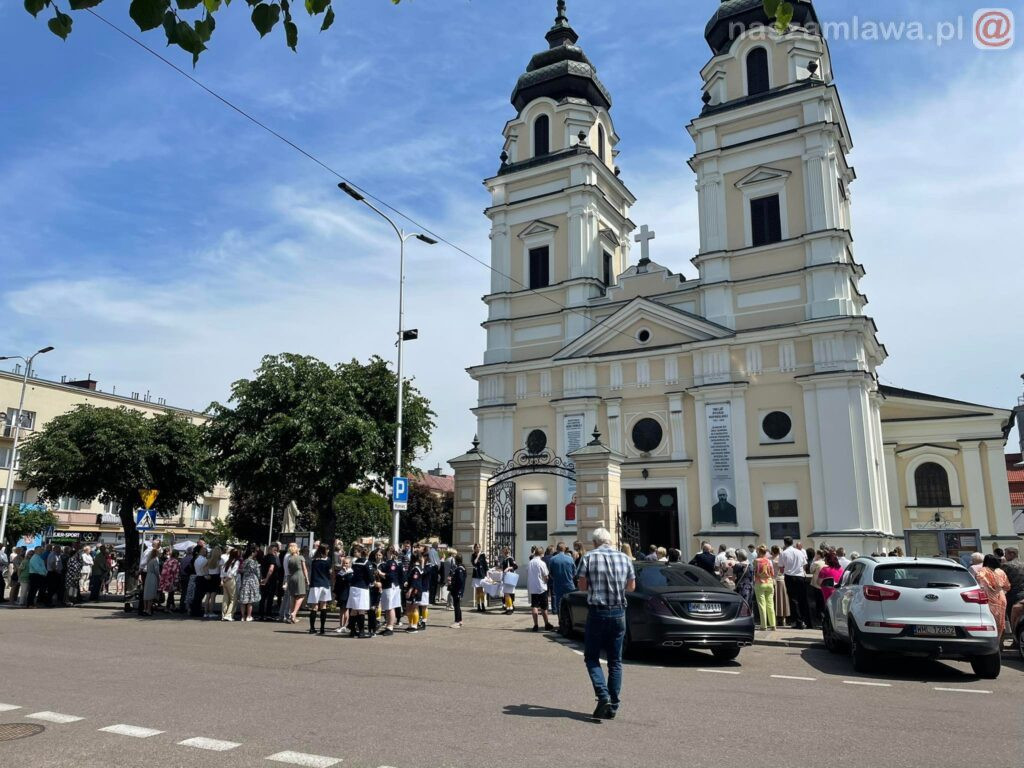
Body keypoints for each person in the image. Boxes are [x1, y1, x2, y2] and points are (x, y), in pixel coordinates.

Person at [577, 527, 636, 720]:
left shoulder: (589, 558)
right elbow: (632, 586)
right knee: (615, 661)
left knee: (592, 657)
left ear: (595, 542)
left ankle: (603, 696)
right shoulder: (625, 558)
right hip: (619, 611)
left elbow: (582, 586)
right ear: (610, 541)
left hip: (597, 611)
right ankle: (614, 704)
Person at [975, 554, 1010, 639]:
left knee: (992, 620)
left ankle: (993, 642)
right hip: (1001, 596)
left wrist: (989, 584)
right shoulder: (1001, 572)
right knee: (1001, 621)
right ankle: (1000, 644)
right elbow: (1007, 586)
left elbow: (979, 576)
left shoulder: (984, 569)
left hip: (990, 596)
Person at [779, 537, 809, 629]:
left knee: (793, 600)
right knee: (802, 598)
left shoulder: (783, 553)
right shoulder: (800, 552)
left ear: (785, 543)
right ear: (792, 542)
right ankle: (804, 620)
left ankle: (797, 621)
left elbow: (781, 568)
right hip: (800, 576)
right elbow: (805, 564)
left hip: (789, 577)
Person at [306, 544, 333, 635]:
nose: (328, 551)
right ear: (324, 551)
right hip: (325, 583)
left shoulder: (314, 561)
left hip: (315, 584)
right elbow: (329, 572)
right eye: (327, 549)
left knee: (314, 606)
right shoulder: (328, 560)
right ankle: (322, 628)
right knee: (323, 605)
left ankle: (312, 628)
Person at [527, 546, 554, 632]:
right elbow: (546, 575)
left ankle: (535, 625)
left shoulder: (530, 562)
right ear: (542, 553)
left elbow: (527, 572)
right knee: (544, 607)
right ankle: (546, 623)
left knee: (534, 606)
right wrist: (546, 581)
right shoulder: (542, 563)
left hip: (532, 587)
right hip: (541, 587)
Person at [378, 547, 402, 636]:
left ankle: (390, 627)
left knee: (390, 607)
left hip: (391, 586)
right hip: (387, 586)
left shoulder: (392, 563)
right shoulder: (387, 562)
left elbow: (391, 576)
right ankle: (388, 626)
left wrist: (381, 573)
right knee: (387, 608)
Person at [549, 542, 576, 618]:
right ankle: (570, 623)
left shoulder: (553, 559)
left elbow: (551, 573)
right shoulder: (570, 559)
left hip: (558, 584)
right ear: (564, 549)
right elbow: (574, 572)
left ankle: (561, 623)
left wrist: (555, 578)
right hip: (569, 584)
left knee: (559, 604)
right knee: (570, 604)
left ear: (557, 549)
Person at [284, 542, 308, 624]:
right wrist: (307, 579)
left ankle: (292, 617)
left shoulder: (289, 558)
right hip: (299, 577)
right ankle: (294, 613)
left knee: (293, 596)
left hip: (291, 577)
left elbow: (288, 570)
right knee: (301, 595)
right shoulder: (301, 557)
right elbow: (304, 569)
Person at [753, 545, 776, 631]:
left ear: (759, 552)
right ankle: (773, 624)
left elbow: (754, 572)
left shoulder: (756, 561)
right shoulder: (769, 561)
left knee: (762, 605)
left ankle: (764, 625)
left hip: (760, 583)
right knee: (770, 604)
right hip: (769, 583)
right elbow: (772, 573)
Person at [1000, 547, 1024, 621]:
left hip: (1013, 594)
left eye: (1005, 554)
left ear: (1012, 554)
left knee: (1012, 616)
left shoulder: (1006, 565)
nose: (1004, 556)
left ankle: (1014, 631)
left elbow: (1001, 581)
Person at [404, 551, 425, 633]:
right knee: (409, 607)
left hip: (415, 590)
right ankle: (410, 624)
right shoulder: (418, 567)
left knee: (414, 608)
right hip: (414, 589)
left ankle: (414, 625)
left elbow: (415, 580)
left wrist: (409, 590)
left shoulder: (416, 568)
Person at [238, 546, 261, 622]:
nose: (256, 553)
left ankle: (242, 616)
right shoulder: (254, 562)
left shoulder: (244, 561)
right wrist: (260, 579)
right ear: (252, 553)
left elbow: (241, 570)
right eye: (255, 552)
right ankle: (249, 616)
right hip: (252, 581)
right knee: (250, 600)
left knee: (243, 599)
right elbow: (257, 572)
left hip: (245, 580)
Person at [258, 543, 280, 621]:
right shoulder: (272, 558)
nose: (276, 552)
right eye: (275, 550)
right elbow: (271, 569)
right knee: (270, 598)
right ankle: (268, 614)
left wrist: (262, 578)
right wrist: (266, 579)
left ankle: (261, 614)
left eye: (276, 550)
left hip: (264, 579)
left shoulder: (265, 557)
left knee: (263, 597)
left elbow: (261, 568)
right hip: (270, 580)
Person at [447, 553, 467, 628]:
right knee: (457, 605)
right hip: (457, 590)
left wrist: (452, 581)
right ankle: (460, 620)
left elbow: (460, 581)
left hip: (457, 590)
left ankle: (457, 621)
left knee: (457, 606)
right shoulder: (459, 568)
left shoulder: (460, 569)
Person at [770, 545, 789, 626]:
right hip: (781, 579)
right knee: (782, 600)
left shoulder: (770, 559)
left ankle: (776, 619)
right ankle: (784, 619)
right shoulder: (781, 558)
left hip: (773, 579)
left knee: (774, 600)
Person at [203, 545, 223, 619]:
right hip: (216, 577)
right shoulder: (220, 560)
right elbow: (221, 571)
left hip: (209, 577)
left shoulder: (208, 559)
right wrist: (221, 580)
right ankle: (211, 612)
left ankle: (205, 612)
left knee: (208, 596)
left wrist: (206, 574)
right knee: (213, 596)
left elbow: (204, 567)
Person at [221, 548, 241, 621]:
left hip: (224, 580)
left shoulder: (227, 561)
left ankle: (223, 614)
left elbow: (222, 571)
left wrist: (222, 580)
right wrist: (226, 579)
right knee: (233, 598)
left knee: (225, 598)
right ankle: (229, 615)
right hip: (230, 580)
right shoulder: (236, 561)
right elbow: (233, 572)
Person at [142, 546, 162, 616]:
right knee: (151, 593)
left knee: (146, 593)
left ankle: (145, 609)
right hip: (153, 577)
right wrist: (159, 577)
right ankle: (149, 610)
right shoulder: (155, 560)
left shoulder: (149, 560)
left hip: (148, 576)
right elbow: (156, 571)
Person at [500, 547, 519, 615]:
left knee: (507, 594)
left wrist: (508, 568)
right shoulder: (505, 559)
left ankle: (510, 608)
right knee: (506, 594)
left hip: (509, 578)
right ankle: (508, 608)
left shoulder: (510, 558)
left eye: (504, 551)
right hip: (506, 577)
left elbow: (516, 566)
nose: (503, 553)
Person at [471, 544, 488, 612]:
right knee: (478, 591)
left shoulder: (483, 555)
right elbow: (474, 563)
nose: (478, 548)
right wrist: (478, 555)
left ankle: (483, 605)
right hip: (476, 574)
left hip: (482, 574)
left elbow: (485, 565)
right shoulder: (473, 555)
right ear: (474, 549)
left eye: (479, 547)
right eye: (476, 547)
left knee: (481, 590)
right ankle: (478, 606)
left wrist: (487, 573)